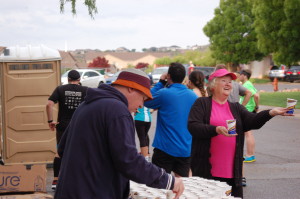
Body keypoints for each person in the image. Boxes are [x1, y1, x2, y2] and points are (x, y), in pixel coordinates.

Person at [54, 68, 184, 199]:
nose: (141, 106)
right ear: (131, 88)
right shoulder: (118, 110)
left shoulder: (86, 105)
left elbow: (62, 149)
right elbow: (129, 161)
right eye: (143, 98)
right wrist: (169, 181)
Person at [188, 68, 292, 198]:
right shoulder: (202, 103)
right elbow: (193, 126)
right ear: (213, 86)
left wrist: (271, 112)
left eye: (230, 81)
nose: (228, 84)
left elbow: (253, 121)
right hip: (207, 171)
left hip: (232, 172)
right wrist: (216, 129)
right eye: (223, 81)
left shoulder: (236, 107)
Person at [144, 63, 198, 177]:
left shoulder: (164, 93)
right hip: (185, 148)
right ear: (184, 77)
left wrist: (161, 83)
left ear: (168, 76)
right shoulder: (193, 96)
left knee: (159, 185)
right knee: (182, 185)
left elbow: (146, 100)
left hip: (165, 148)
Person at [46, 69, 88, 190]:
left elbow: (49, 104)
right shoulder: (86, 90)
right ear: (79, 80)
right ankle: (78, 180)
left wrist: (50, 121)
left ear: (68, 79)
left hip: (63, 126)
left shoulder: (60, 89)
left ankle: (55, 181)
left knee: (59, 152)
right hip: (79, 125)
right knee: (80, 152)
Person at [239, 69, 259, 163]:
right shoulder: (249, 84)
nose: (239, 76)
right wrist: (256, 107)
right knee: (247, 132)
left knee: (248, 133)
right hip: (250, 110)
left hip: (247, 110)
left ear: (244, 75)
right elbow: (257, 95)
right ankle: (250, 154)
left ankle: (250, 155)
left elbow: (256, 96)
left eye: (240, 75)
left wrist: (243, 106)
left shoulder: (246, 85)